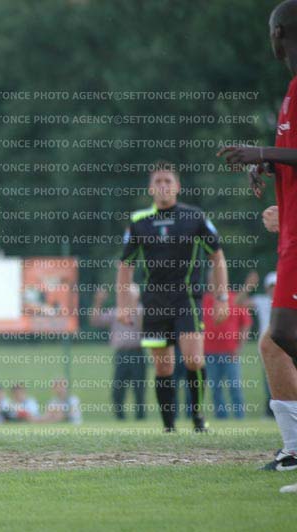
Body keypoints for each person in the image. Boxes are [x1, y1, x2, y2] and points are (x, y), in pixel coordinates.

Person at [217, 0, 297, 477]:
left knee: (282, 335)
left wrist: (262, 150)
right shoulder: (291, 90)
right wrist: (266, 163)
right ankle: (294, 449)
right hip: (289, 234)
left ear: (280, 33)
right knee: (275, 341)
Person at [117, 163, 229, 432]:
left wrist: (222, 297)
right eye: (158, 181)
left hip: (186, 298)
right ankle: (169, 427)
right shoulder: (139, 221)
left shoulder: (194, 217)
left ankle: (198, 418)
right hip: (154, 302)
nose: (163, 186)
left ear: (177, 187)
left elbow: (217, 257)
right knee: (163, 367)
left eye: (168, 181)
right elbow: (125, 266)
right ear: (150, 188)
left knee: (194, 359)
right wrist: (124, 305)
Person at [89, 285, 146, 420]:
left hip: (137, 353)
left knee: (139, 391)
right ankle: (121, 420)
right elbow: (95, 321)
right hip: (121, 354)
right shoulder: (117, 312)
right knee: (117, 391)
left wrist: (133, 307)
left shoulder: (141, 310)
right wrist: (98, 301)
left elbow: (142, 327)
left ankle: (140, 420)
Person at [202, 289, 252, 419]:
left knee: (234, 386)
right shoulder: (204, 300)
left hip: (230, 352)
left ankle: (240, 418)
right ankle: (221, 419)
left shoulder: (234, 298)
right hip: (209, 353)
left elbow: (246, 324)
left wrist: (239, 347)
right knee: (215, 389)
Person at [236, 269, 277, 417]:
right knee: (269, 381)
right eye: (271, 287)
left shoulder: (287, 301)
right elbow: (238, 303)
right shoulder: (262, 300)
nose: (273, 290)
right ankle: (270, 412)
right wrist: (248, 287)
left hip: (285, 347)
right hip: (266, 348)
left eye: (276, 286)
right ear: (266, 288)